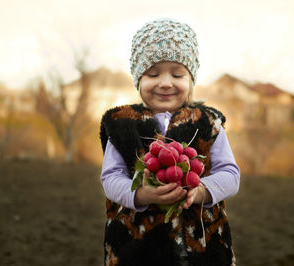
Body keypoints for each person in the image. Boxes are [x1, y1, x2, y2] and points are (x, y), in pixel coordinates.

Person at [99, 18, 240, 266]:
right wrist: (141, 194)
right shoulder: (122, 124)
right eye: (153, 73)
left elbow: (230, 174)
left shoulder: (208, 122)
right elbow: (111, 177)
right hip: (137, 248)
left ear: (190, 79)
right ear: (138, 78)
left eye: (177, 73)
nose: (165, 82)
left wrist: (200, 191)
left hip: (203, 246)